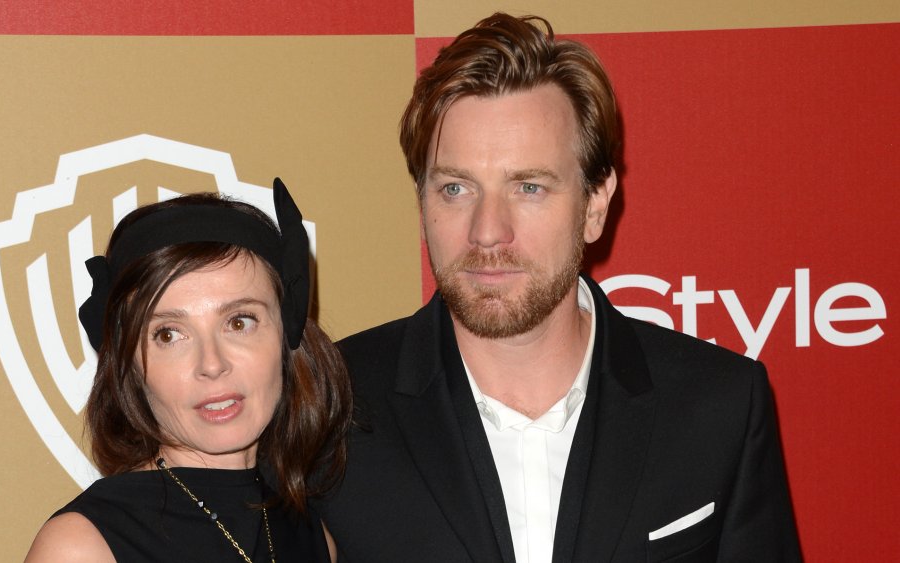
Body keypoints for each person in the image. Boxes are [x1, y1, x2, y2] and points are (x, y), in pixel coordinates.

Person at [317, 13, 801, 562]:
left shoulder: (718, 405)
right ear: (422, 200)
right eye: (455, 187)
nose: (487, 231)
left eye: (528, 187)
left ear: (596, 204)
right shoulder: (330, 409)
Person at [25, 180, 351, 562]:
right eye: (168, 334)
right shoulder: (81, 547)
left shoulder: (312, 535)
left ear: (287, 334)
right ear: (129, 365)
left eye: (239, 322)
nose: (212, 364)